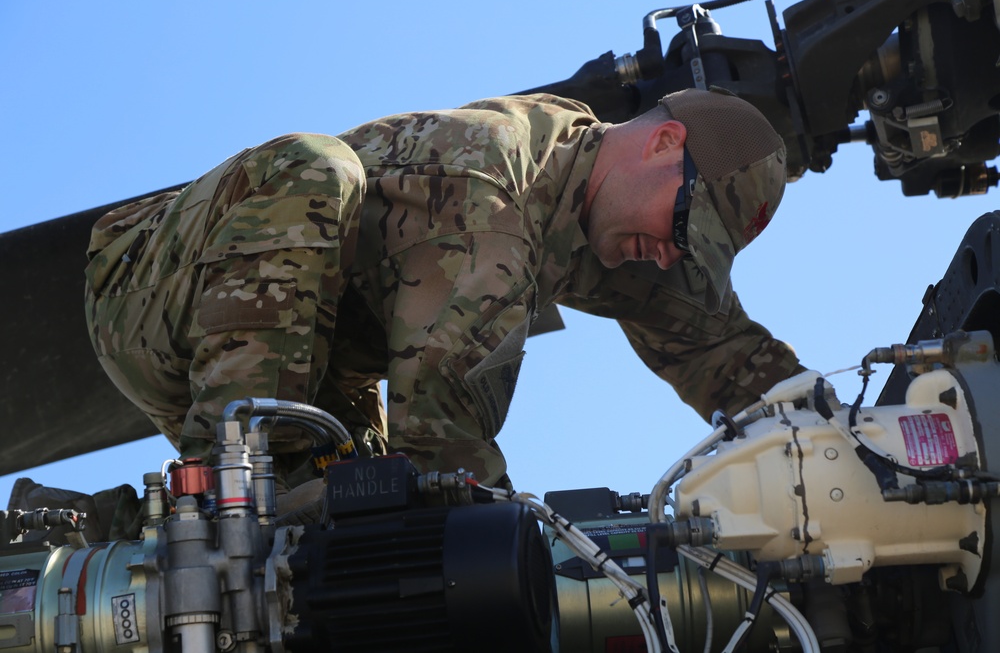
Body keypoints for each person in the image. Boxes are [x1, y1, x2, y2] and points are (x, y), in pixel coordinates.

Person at [84, 88, 802, 492]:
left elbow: (727, 355)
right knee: (315, 168)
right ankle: (225, 492)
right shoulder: (490, 186)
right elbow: (443, 427)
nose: (672, 251)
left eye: (692, 250)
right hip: (149, 285)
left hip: (319, 365)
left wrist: (846, 440)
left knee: (358, 524)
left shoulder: (626, 228)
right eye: (684, 223)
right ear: (661, 143)